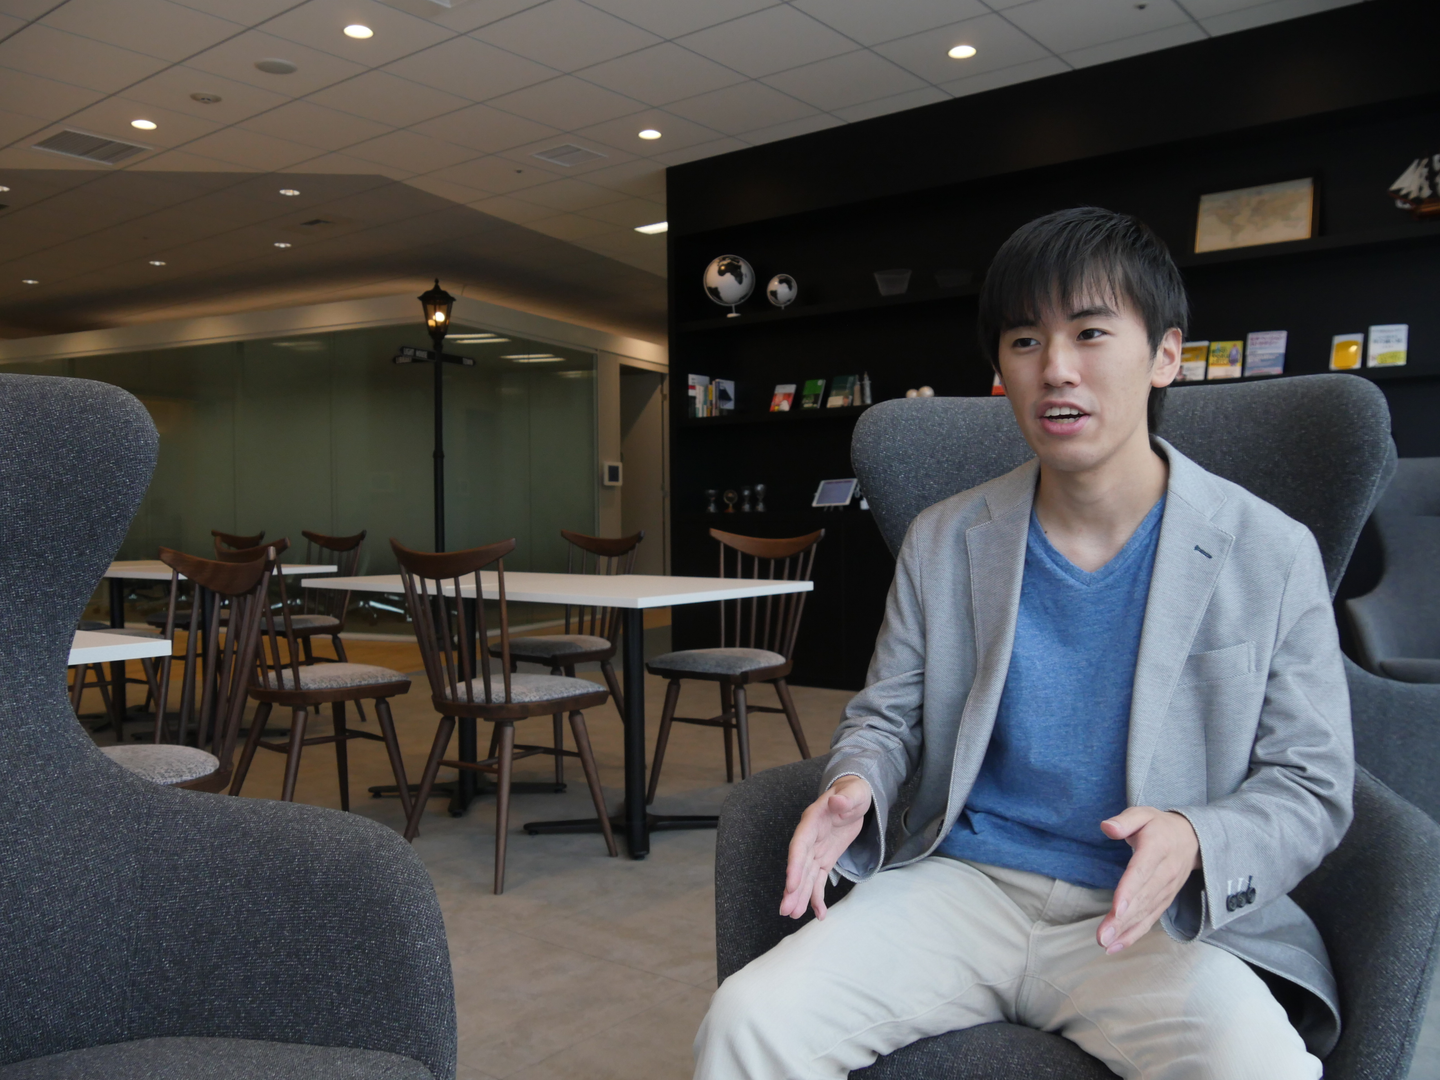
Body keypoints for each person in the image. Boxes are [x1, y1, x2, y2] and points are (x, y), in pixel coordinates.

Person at [693, 207, 1352, 1080]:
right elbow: (885, 718)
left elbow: (1312, 782)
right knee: (748, 1022)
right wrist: (855, 783)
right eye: (1024, 340)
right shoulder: (944, 537)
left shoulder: (1270, 552)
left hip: (1147, 916)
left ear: (1166, 355)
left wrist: (1198, 837)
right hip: (962, 885)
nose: (1056, 369)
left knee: (1258, 1067)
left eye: (1090, 333)